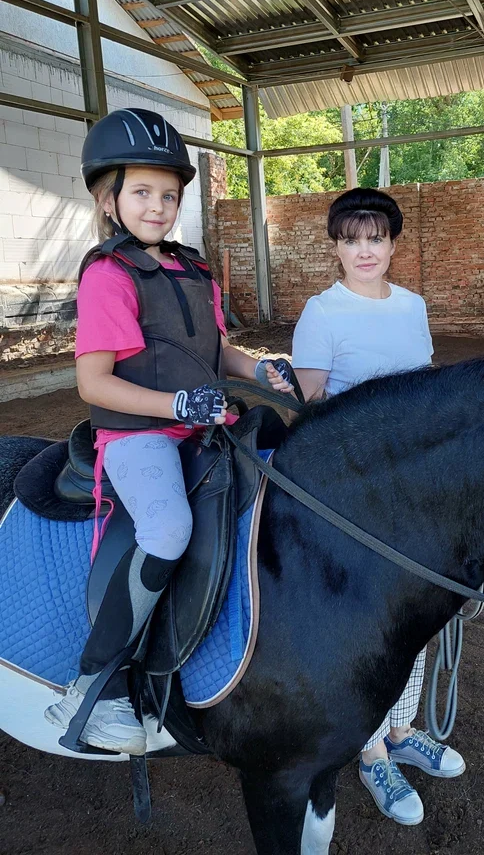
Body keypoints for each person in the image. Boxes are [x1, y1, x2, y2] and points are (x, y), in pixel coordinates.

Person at [45, 108, 261, 756]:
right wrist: (178, 405)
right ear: (106, 199)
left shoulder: (194, 273)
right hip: (140, 438)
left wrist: (265, 373)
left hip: (200, 425)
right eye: (142, 192)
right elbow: (93, 384)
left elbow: (222, 356)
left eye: (169, 195)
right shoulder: (107, 277)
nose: (159, 206)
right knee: (168, 527)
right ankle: (92, 684)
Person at [264, 186, 465, 827]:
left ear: (392, 243)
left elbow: (426, 393)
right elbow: (311, 406)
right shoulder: (322, 313)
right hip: (356, 490)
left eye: (375, 237)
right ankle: (372, 749)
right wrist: (285, 381)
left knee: (426, 606)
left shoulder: (413, 307)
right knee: (377, 624)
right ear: (336, 247)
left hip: (416, 488)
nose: (365, 250)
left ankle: (402, 733)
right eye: (351, 238)